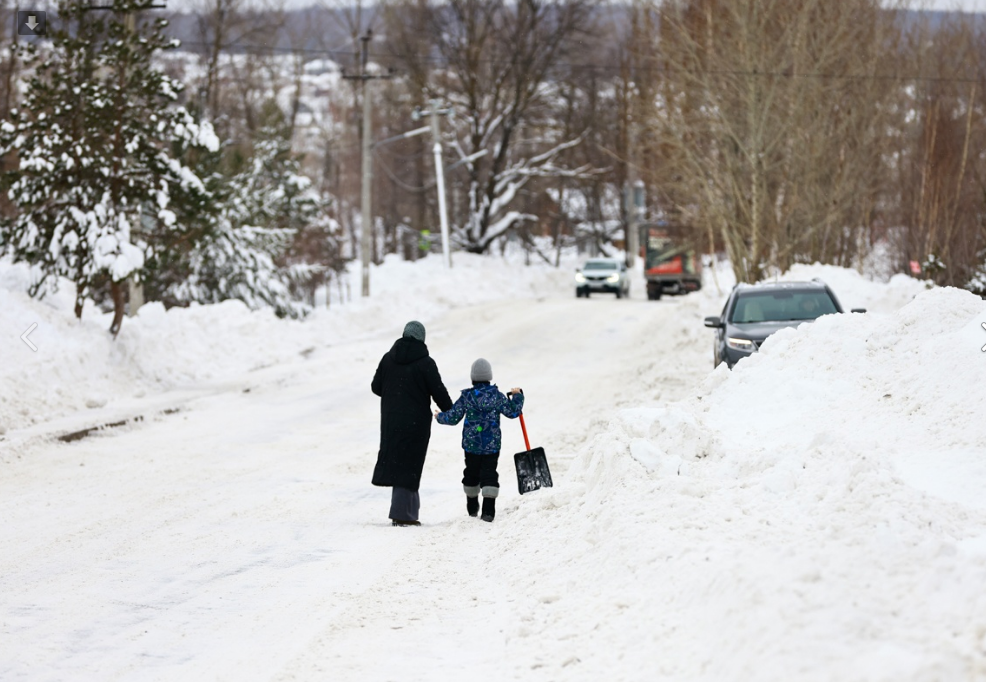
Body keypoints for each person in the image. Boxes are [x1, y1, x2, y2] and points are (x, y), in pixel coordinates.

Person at [371, 321, 453, 527]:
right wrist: (451, 410)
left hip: (391, 418)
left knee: (398, 461)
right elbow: (439, 392)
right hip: (416, 421)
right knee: (410, 464)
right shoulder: (425, 362)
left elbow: (376, 387)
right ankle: (402, 514)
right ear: (422, 339)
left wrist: (395, 391)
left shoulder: (388, 359)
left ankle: (406, 512)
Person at [435, 358, 524, 523]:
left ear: (472, 378)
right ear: (489, 377)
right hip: (492, 445)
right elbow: (513, 412)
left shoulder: (467, 397)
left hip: (472, 445)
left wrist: (439, 416)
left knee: (471, 472)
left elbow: (453, 417)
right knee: (489, 473)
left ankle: (472, 507)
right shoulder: (497, 397)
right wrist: (517, 397)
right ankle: (488, 511)